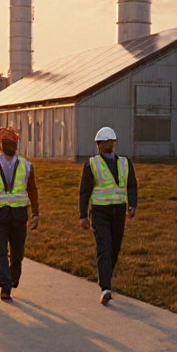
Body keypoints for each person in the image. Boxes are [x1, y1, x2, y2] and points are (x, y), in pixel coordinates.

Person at [0, 127, 39, 301]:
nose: (9, 145)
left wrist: (36, 213)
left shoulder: (26, 166)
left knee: (17, 252)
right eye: (7, 142)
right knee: (0, 251)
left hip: (19, 215)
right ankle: (5, 285)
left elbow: (32, 188)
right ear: (0, 144)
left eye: (12, 143)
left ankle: (14, 274)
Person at [78, 126, 137, 305]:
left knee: (115, 247)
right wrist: (83, 216)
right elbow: (84, 191)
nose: (105, 145)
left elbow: (132, 185)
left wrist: (132, 205)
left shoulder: (125, 163)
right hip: (100, 212)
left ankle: (105, 276)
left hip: (118, 211)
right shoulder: (92, 164)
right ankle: (106, 287)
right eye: (102, 143)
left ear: (113, 143)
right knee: (104, 246)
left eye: (108, 142)